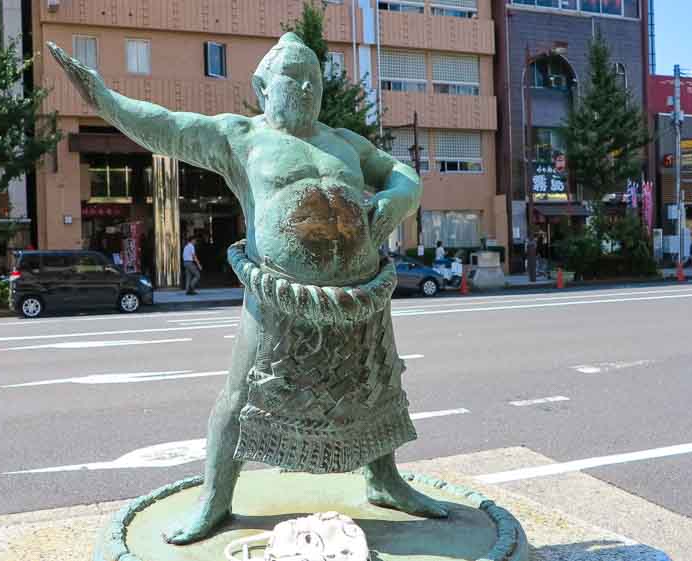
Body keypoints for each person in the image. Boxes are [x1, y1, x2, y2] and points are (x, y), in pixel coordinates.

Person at [49, 33, 442, 546]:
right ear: (261, 85)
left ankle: (384, 479)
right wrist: (103, 98)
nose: (304, 89)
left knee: (375, 386)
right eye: (292, 79)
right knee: (241, 395)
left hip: (358, 291)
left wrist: (398, 196)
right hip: (277, 294)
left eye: (314, 81)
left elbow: (399, 172)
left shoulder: (344, 142)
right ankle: (215, 497)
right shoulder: (240, 137)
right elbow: (165, 127)